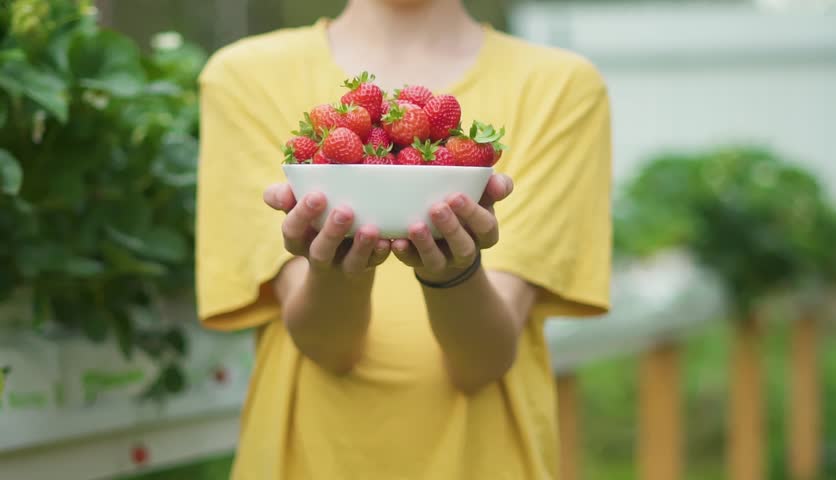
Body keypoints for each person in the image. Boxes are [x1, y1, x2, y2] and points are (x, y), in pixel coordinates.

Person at [195, 0, 612, 478]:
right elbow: (330, 349)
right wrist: (334, 269)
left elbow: (482, 361)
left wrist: (457, 273)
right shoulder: (244, 79)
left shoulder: (560, 88)